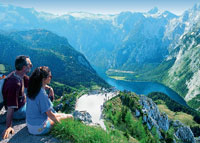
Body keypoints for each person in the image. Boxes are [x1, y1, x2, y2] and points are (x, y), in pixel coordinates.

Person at [26, 66, 73, 135]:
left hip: (30, 124)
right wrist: (61, 126)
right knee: (69, 117)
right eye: (50, 76)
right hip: (38, 128)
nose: (51, 78)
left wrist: (50, 88)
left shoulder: (32, 88)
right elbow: (50, 115)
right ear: (44, 79)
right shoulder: (42, 95)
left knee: (60, 115)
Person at [2, 55, 32, 139]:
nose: (32, 65)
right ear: (24, 67)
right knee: (38, 107)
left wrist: (49, 88)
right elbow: (10, 108)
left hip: (22, 104)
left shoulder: (19, 75)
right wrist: (8, 126)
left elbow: (32, 84)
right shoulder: (14, 84)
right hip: (18, 112)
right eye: (30, 64)